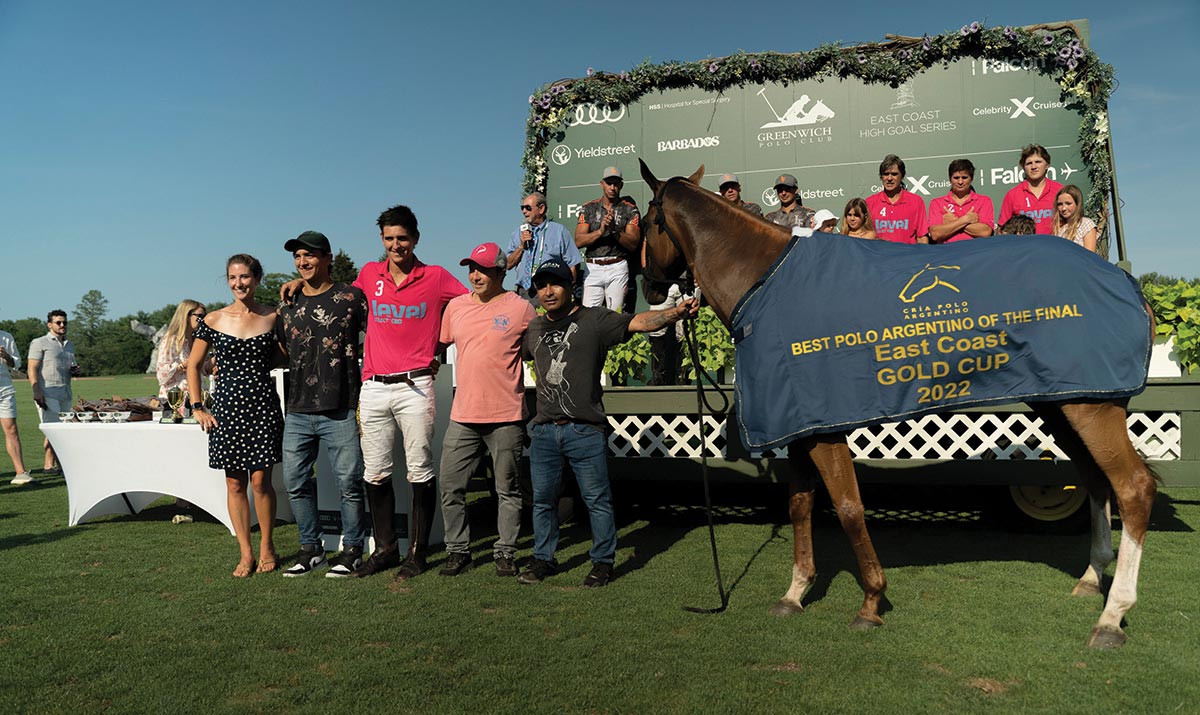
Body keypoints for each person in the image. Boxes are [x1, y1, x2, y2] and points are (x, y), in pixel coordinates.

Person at [517, 259, 698, 587]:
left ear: (571, 287)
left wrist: (676, 312)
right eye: (542, 286)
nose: (548, 291)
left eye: (555, 284)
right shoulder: (534, 329)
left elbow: (640, 321)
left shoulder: (594, 320)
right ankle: (543, 559)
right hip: (544, 430)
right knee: (542, 500)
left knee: (596, 500)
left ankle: (602, 562)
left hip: (584, 429)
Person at [349, 205, 468, 581]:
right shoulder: (370, 273)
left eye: (402, 238)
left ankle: (416, 554)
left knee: (419, 470)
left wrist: (441, 346)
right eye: (389, 239)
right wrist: (298, 286)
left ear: (415, 238)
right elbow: (341, 304)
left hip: (415, 385)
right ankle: (385, 550)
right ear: (381, 240)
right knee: (375, 471)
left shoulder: (434, 277)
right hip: (373, 386)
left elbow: (467, 306)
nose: (395, 245)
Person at [274, 231, 371, 578]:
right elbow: (281, 350)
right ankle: (310, 549)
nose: (303, 262)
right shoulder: (288, 303)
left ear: (328, 257)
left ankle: (353, 550)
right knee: (295, 482)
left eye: (310, 256)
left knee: (349, 482)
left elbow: (377, 335)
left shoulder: (351, 298)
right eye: (298, 257)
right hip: (298, 409)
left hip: (341, 406)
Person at [437, 242, 537, 578]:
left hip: (506, 416)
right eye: (471, 269)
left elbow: (536, 348)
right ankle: (458, 550)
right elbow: (439, 343)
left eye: (482, 269)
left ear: (500, 272)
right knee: (450, 485)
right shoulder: (456, 307)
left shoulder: (521, 308)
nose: (475, 275)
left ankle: (505, 552)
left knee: (507, 490)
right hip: (463, 415)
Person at [188, 254, 284, 578]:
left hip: (262, 405)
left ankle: (267, 546)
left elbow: (284, 355)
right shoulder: (212, 320)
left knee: (260, 481)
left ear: (257, 279)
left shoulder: (274, 316)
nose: (238, 284)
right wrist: (198, 406)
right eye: (232, 278)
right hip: (226, 408)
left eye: (244, 277)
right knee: (233, 482)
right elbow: (193, 365)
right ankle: (245, 552)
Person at [575, 167, 641, 311]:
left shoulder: (630, 210)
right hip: (593, 267)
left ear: (621, 185)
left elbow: (633, 244)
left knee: (615, 316)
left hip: (617, 266)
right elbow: (578, 241)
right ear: (602, 184)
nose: (612, 187)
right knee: (589, 316)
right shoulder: (588, 208)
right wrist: (600, 231)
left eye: (616, 184)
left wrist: (614, 230)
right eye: (609, 183)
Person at [506, 192, 582, 307]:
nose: (524, 211)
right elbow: (508, 264)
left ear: (541, 209)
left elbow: (572, 263)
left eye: (528, 207)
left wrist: (568, 290)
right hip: (524, 292)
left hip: (550, 290)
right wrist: (521, 247)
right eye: (522, 208)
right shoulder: (518, 233)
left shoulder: (558, 231)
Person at [27, 309, 78, 478]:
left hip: (65, 392)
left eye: (64, 322)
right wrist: (36, 390)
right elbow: (32, 367)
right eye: (58, 322)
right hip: (47, 392)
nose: (62, 325)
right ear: (50, 325)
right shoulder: (39, 342)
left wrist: (75, 370)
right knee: (56, 431)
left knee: (59, 429)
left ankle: (48, 465)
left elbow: (70, 366)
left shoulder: (69, 345)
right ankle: (65, 467)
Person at [998, 144, 1063, 235]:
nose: (1033, 167)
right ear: (1024, 167)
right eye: (1029, 163)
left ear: (1047, 165)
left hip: (1055, 246)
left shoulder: (1060, 191)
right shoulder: (1013, 195)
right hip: (1024, 247)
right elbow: (1001, 231)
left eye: (1038, 162)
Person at [927, 159, 994, 244]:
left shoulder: (984, 201)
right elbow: (935, 234)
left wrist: (953, 222)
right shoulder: (937, 203)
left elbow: (985, 232)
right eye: (956, 178)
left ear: (971, 178)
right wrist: (965, 219)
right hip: (947, 254)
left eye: (964, 177)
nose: (960, 182)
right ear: (950, 179)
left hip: (976, 253)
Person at [155, 299, 213, 398]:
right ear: (186, 316)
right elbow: (161, 375)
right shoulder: (171, 340)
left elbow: (203, 370)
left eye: (204, 317)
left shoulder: (197, 340)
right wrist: (183, 365)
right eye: (200, 316)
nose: (202, 320)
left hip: (197, 396)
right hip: (176, 399)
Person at [865, 155, 929, 244]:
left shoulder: (916, 201)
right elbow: (863, 237)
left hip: (907, 256)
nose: (889, 178)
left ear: (902, 176)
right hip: (879, 256)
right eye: (886, 174)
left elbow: (922, 237)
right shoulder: (869, 203)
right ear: (881, 176)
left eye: (894, 174)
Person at [1, 328, 31, 485]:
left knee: (11, 429)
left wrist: (6, 356)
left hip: (4, 389)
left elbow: (15, 365)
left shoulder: (6, 337)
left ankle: (20, 473)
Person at [1051, 184, 1099, 252]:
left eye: (1068, 203)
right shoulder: (1058, 229)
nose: (1063, 208)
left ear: (1077, 204)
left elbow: (1090, 256)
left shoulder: (1086, 224)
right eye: (1060, 204)